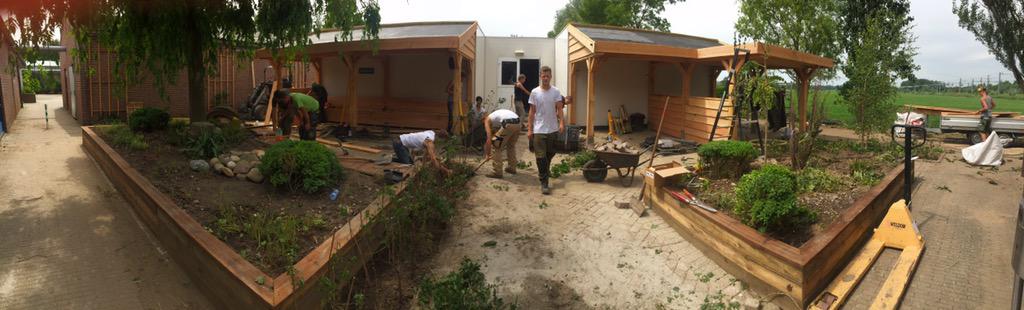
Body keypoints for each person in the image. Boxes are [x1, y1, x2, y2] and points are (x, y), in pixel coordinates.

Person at [527, 66, 565, 195]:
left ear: (551, 77)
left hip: (552, 128)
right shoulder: (534, 92)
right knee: (540, 156)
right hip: (539, 129)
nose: (545, 78)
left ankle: (545, 170)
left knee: (550, 153)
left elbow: (559, 109)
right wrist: (529, 129)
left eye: (547, 76)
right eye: (543, 76)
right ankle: (544, 182)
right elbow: (532, 112)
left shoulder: (555, 91)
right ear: (540, 76)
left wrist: (561, 123)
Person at [484, 109, 521, 178]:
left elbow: (489, 138)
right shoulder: (497, 115)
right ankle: (512, 167)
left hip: (508, 123)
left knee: (495, 145)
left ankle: (497, 172)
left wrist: (487, 154)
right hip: (518, 123)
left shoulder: (487, 120)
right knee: (511, 146)